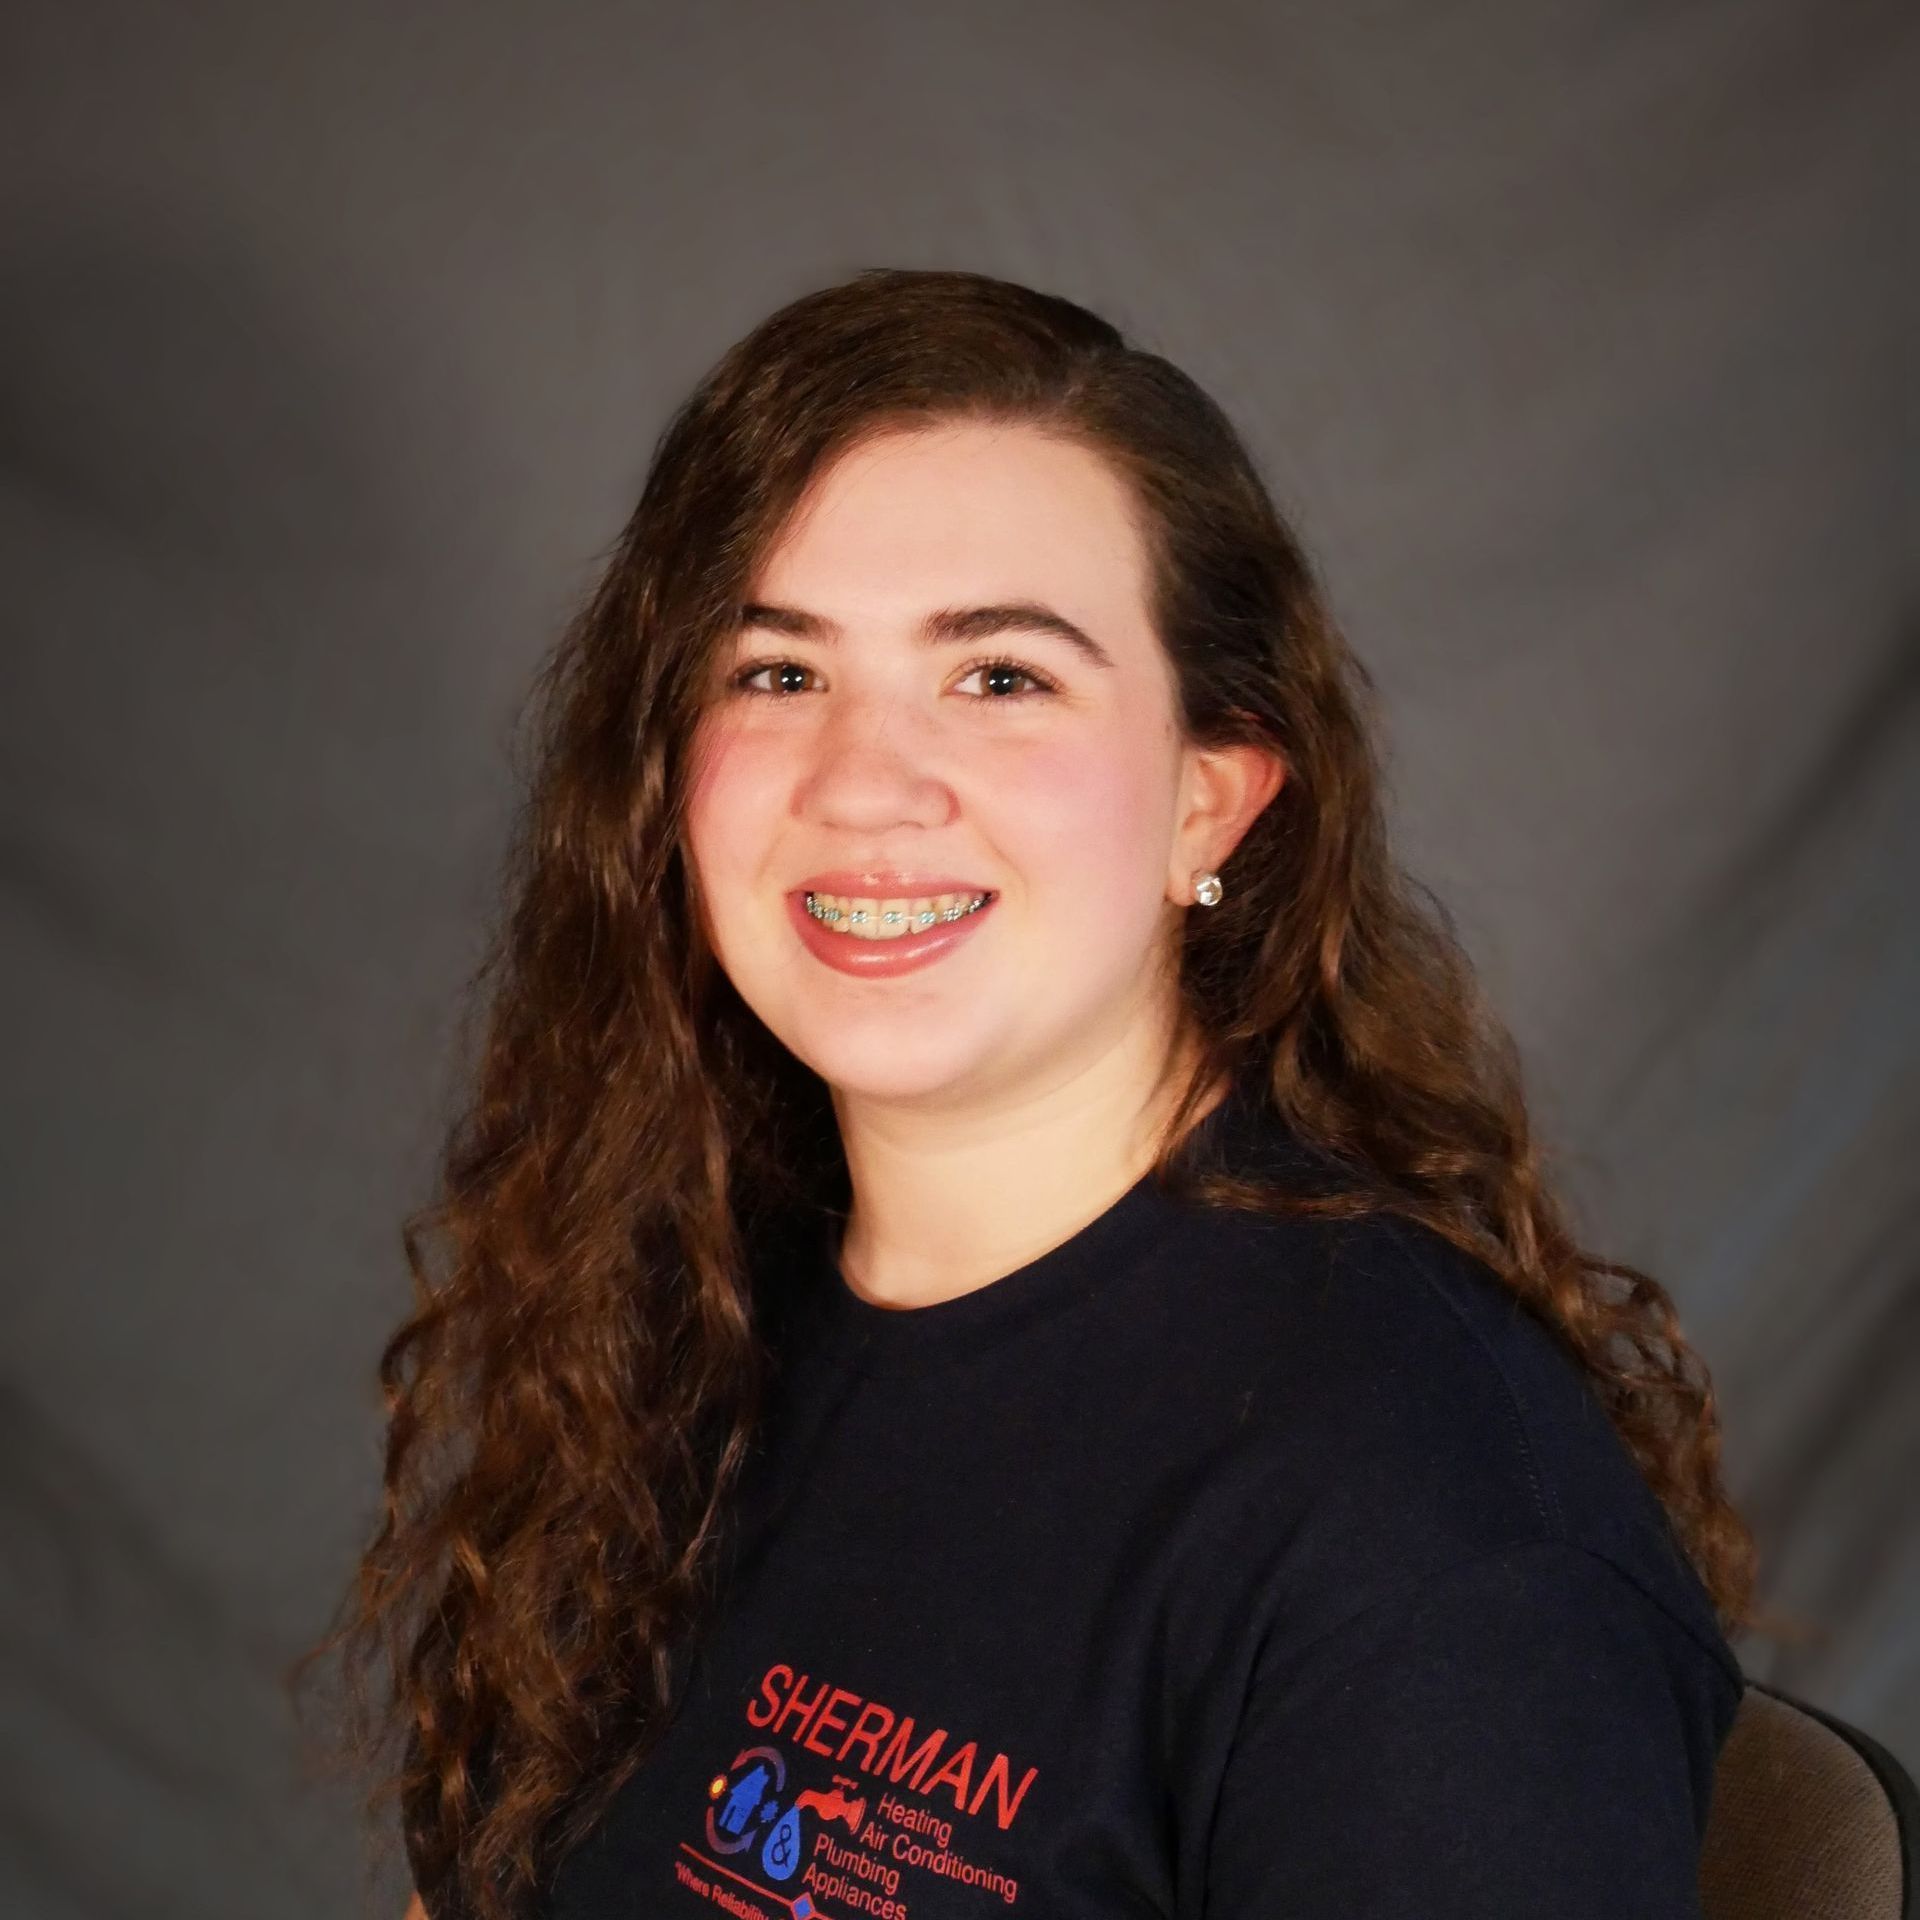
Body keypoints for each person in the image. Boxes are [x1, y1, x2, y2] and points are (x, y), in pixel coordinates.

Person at [299, 268, 1768, 1920]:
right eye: (776, 673)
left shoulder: (1442, 1548)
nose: (863, 783)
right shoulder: (685, 1309)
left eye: (1002, 677)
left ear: (1211, 802)